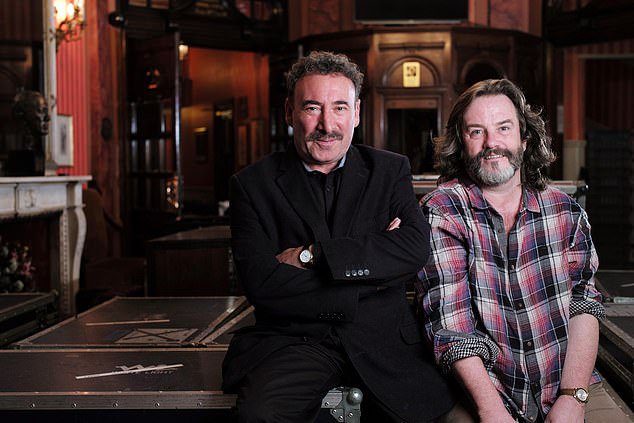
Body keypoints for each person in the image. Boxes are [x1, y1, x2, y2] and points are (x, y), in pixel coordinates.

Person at [222, 50, 456, 422]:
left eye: (340, 108)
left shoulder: (389, 169)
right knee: (259, 415)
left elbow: (413, 250)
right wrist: (375, 271)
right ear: (289, 112)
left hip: (387, 342)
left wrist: (311, 256)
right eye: (312, 108)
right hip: (296, 342)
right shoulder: (251, 185)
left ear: (357, 113)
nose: (326, 124)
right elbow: (262, 284)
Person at [416, 78, 631, 422]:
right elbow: (452, 328)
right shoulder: (443, 210)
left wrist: (573, 397)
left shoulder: (565, 211)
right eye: (476, 131)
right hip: (484, 391)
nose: (491, 143)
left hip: (567, 381)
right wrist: (491, 410)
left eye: (503, 128)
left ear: (524, 138)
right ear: (461, 143)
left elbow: (583, 306)